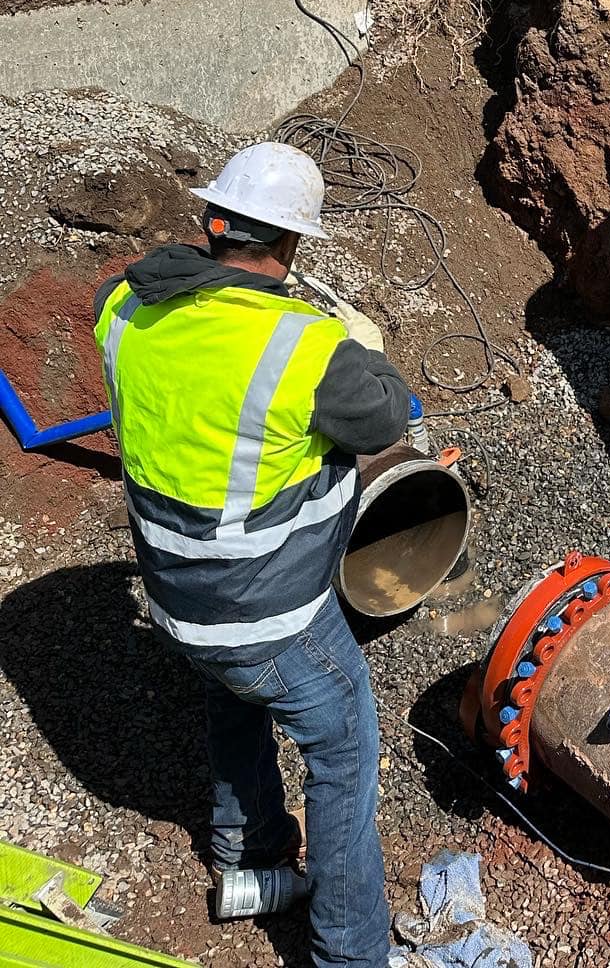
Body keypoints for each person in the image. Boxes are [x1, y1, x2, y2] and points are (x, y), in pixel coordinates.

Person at [93, 142, 409, 967]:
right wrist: (359, 344)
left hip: (176, 599)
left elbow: (140, 292)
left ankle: (251, 857)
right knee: (343, 754)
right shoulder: (305, 347)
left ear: (211, 220)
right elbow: (384, 418)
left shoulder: (125, 307)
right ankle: (351, 952)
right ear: (292, 246)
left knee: (234, 699)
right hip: (270, 615)